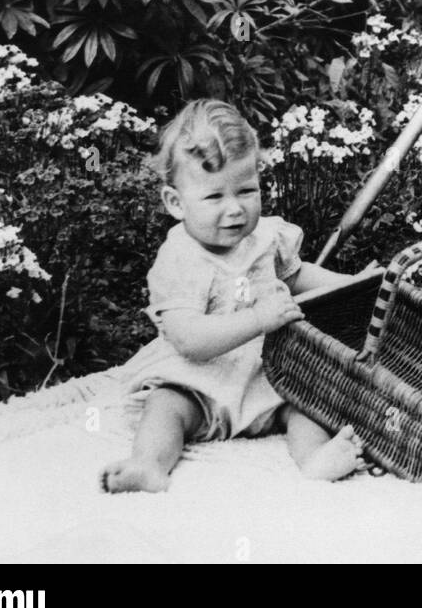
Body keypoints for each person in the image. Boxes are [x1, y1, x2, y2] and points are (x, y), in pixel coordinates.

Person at [101, 99, 366, 492]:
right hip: (200, 383)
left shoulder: (265, 238)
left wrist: (351, 283)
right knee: (165, 407)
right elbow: (190, 340)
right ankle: (149, 464)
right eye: (214, 198)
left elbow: (296, 275)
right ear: (175, 202)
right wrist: (259, 319)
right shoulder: (180, 259)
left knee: (308, 401)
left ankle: (314, 458)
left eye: (246, 191)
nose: (234, 210)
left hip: (267, 376)